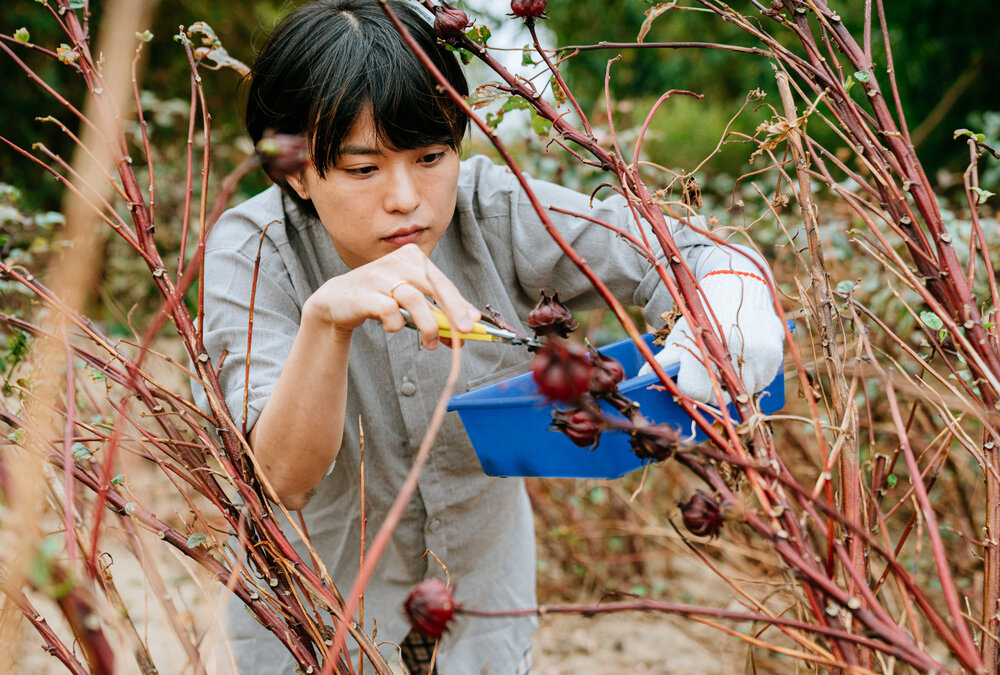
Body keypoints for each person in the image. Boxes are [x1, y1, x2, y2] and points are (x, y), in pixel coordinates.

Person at [192, 1, 784, 673]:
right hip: (319, 630)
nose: (406, 197)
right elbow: (282, 478)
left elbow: (684, 250)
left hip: (484, 620)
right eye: (363, 169)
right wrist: (327, 319)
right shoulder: (257, 247)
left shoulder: (490, 207)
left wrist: (732, 298)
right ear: (294, 169)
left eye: (430, 156)